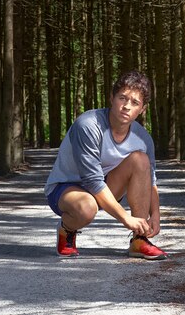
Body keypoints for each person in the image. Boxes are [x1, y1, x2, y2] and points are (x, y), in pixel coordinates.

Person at [44, 70, 167, 259]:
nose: (126, 106)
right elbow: (92, 181)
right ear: (111, 98)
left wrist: (156, 216)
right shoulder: (88, 125)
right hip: (65, 189)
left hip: (105, 187)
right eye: (122, 98)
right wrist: (125, 218)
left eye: (135, 103)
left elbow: (151, 181)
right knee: (86, 208)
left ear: (143, 109)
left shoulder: (143, 138)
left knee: (141, 160)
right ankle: (66, 230)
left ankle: (139, 240)